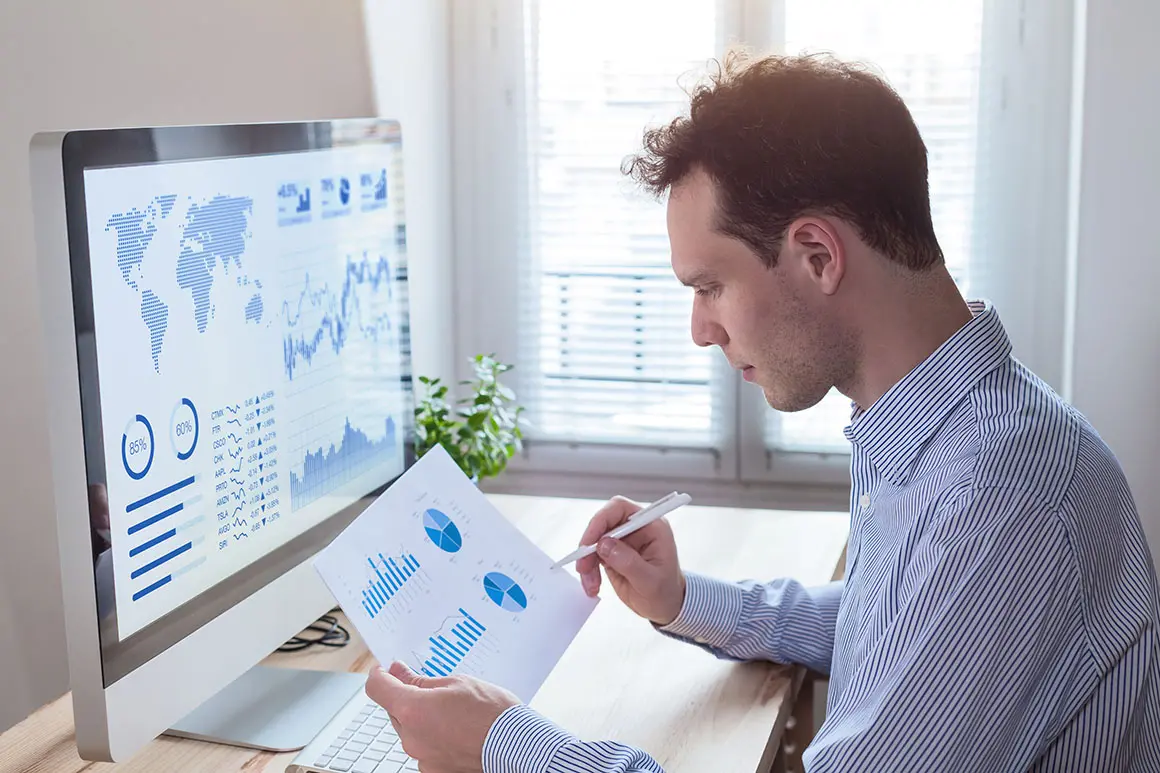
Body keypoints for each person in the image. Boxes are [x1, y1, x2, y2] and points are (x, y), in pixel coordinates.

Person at [364, 51, 1160, 772]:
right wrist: (684, 599)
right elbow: (888, 630)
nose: (701, 328)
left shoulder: (1002, 497)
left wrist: (506, 744)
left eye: (710, 285)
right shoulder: (952, 428)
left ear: (818, 255)